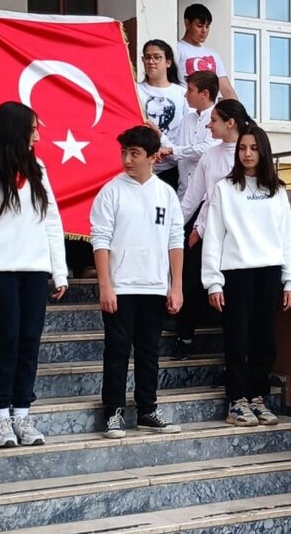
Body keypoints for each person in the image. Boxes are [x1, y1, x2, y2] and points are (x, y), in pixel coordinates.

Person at [0, 101, 69, 448]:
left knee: (29, 341)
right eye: (32, 129)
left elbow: (52, 221)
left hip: (35, 270)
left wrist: (60, 271)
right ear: (14, 130)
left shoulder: (37, 167)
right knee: (5, 340)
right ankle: (0, 416)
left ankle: (22, 412)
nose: (36, 136)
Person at [201, 125, 291, 427]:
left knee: (264, 339)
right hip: (235, 273)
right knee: (237, 339)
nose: (247, 154)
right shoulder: (225, 188)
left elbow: (287, 237)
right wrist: (213, 282)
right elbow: (214, 236)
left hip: (269, 273)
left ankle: (258, 397)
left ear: (263, 152)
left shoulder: (277, 190)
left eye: (254, 148)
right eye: (243, 148)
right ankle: (237, 402)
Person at [90, 126, 184, 439]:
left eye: (135, 154)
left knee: (149, 351)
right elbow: (100, 240)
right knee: (117, 351)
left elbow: (175, 240)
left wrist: (176, 285)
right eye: (124, 153)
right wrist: (105, 285)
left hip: (154, 286)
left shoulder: (166, 194)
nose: (127, 160)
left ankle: (147, 409)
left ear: (153, 157)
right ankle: (113, 412)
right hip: (121, 287)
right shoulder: (111, 191)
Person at [173, 99, 251, 360]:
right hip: (205, 231)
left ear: (231, 123)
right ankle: (184, 336)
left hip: (236, 236)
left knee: (233, 295)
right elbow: (194, 197)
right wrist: (177, 227)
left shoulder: (246, 155)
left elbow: (236, 201)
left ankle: (233, 358)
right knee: (191, 281)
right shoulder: (210, 154)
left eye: (214, 120)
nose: (209, 125)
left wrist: (202, 227)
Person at [162, 70, 220, 202]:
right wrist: (159, 136)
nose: (185, 94)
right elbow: (176, 155)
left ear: (205, 93)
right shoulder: (186, 120)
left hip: (207, 198)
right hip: (183, 195)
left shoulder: (220, 119)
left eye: (190, 90)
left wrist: (173, 151)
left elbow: (206, 150)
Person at [136, 39, 187, 191]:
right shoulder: (135, 90)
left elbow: (190, 133)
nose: (151, 61)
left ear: (168, 62)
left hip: (173, 168)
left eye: (157, 57)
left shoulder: (182, 93)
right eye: (147, 57)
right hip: (141, 166)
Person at [176, 3, 237, 99]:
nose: (204, 30)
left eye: (207, 26)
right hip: (187, 106)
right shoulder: (177, 49)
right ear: (187, 24)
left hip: (210, 107)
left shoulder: (212, 54)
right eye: (199, 26)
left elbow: (226, 89)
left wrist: (236, 108)